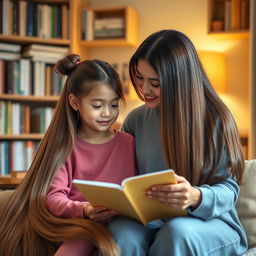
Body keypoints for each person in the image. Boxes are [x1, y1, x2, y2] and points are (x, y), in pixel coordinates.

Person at [107, 30, 248, 256]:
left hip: (211, 222)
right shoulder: (135, 119)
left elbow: (229, 190)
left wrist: (195, 196)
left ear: (179, 81)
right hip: (152, 220)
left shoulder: (215, 120)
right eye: (139, 78)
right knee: (120, 232)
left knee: (176, 233)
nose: (144, 90)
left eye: (155, 83)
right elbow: (124, 177)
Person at [0, 54, 137, 256]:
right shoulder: (66, 146)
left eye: (114, 104)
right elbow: (54, 197)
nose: (107, 113)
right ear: (75, 102)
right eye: (97, 106)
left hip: (123, 225)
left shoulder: (128, 142)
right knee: (83, 238)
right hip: (79, 225)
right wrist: (85, 210)